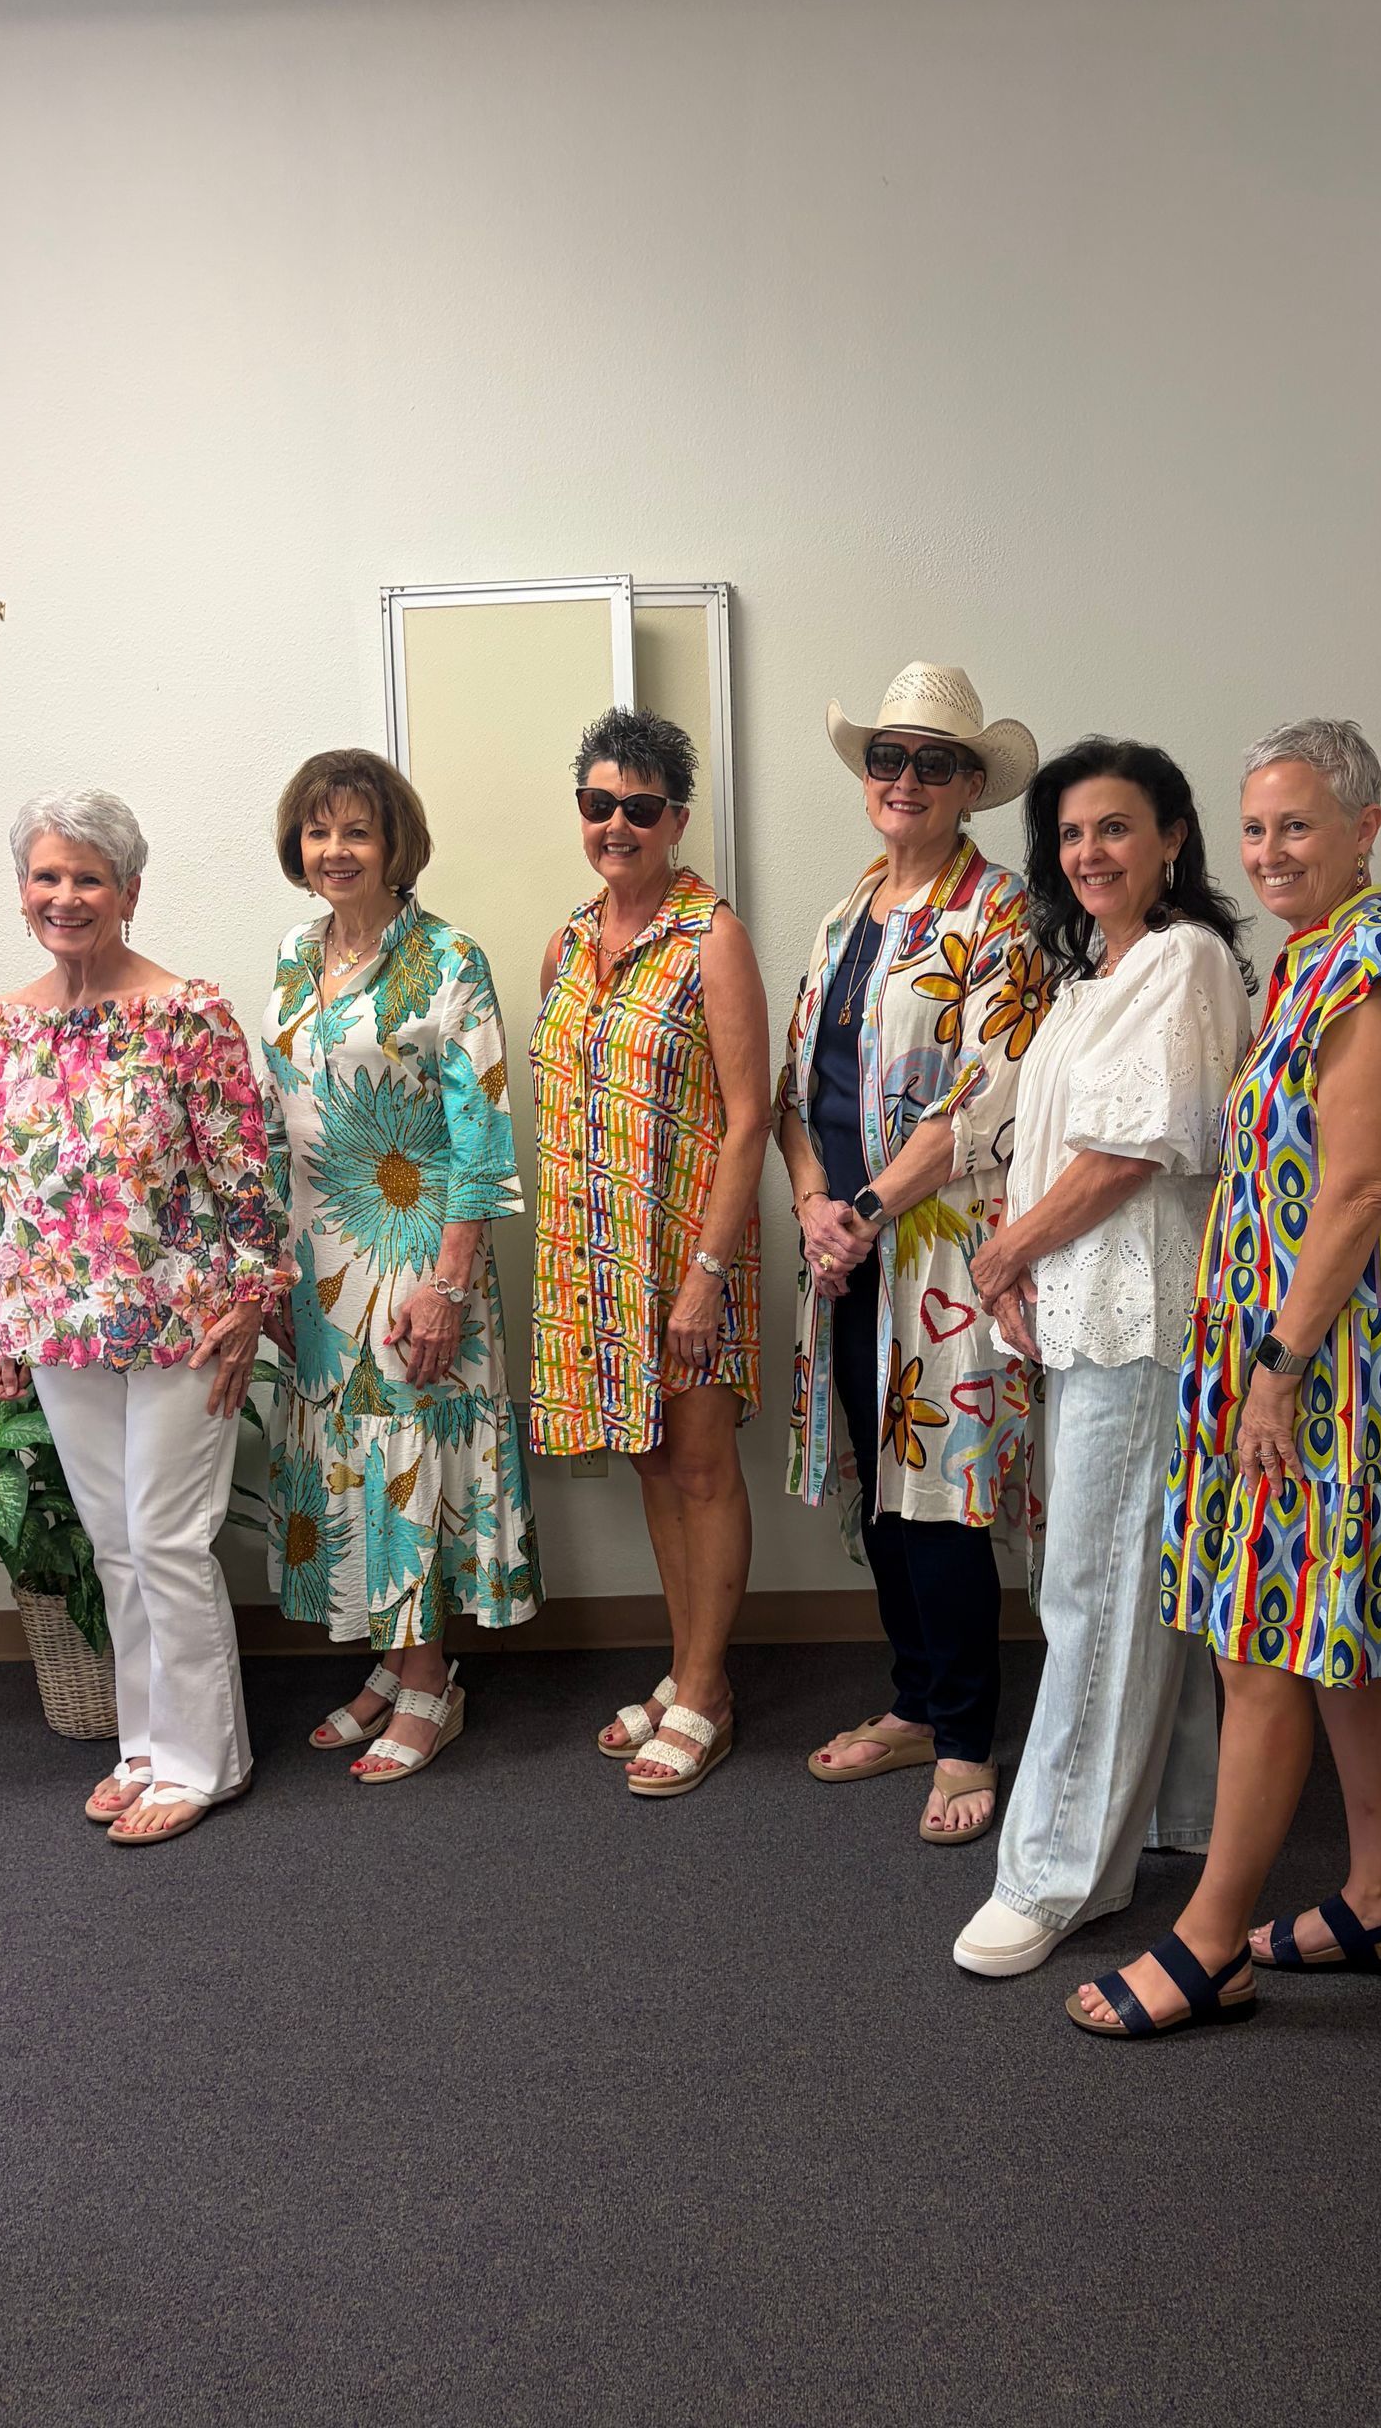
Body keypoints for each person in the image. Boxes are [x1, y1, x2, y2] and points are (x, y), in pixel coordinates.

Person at [1070, 718, 1381, 2038]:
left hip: (1329, 1371)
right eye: (1255, 827)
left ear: (1365, 828)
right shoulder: (1317, 956)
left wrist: (1274, 1368)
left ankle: (1209, 1945)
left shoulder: (1373, 966)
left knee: (1261, 1650)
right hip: (1311, 1358)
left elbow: (1358, 1192)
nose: (1268, 851)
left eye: (1297, 824)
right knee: (1337, 1641)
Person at [953, 739, 1252, 1977]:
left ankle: (1055, 1874)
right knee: (1129, 1578)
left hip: (1138, 1315)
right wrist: (1023, 1266)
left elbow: (1134, 1149)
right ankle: (1172, 1815)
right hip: (1087, 1311)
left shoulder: (1183, 959)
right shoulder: (1096, 976)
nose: (1090, 852)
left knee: (1095, 1586)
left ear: (1172, 838)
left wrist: (1002, 1254)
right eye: (1073, 834)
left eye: (1117, 827)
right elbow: (1056, 1148)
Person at [0, 791, 291, 1844]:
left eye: (89, 878)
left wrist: (253, 1300)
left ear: (130, 893)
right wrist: (0, 1318)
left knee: (167, 1539)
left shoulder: (187, 1014)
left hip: (183, 1317)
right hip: (59, 1319)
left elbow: (247, 1171)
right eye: (47, 876)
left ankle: (205, 1763)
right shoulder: (5, 1028)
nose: (65, 897)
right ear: (23, 891)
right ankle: (147, 1744)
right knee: (115, 1543)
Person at [780, 662, 1042, 1847]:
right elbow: (798, 1090)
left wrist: (865, 1210)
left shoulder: (1004, 915)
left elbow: (988, 1095)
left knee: (939, 1495)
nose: (906, 779)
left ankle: (964, 1737)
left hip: (937, 1255)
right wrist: (813, 1205)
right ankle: (912, 1697)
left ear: (972, 784)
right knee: (880, 1495)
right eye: (889, 757)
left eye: (935, 763)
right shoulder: (849, 910)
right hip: (844, 1251)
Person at [261, 750, 540, 1783]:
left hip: (417, 1251)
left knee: (407, 1451)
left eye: (357, 831)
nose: (336, 850)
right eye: (319, 830)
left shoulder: (448, 958)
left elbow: (482, 1135)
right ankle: (392, 1654)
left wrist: (451, 1283)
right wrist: (274, 1264)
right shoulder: (293, 955)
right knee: (346, 1451)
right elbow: (282, 1114)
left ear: (395, 845)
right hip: (319, 1254)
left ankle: (431, 1681)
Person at [530, 707, 769, 1799]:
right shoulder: (567, 943)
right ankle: (684, 1669)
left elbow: (750, 1116)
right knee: (650, 1459)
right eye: (598, 804)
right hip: (594, 1260)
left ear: (675, 819)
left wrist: (706, 1276)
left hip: (687, 1255)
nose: (615, 824)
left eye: (640, 807)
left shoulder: (711, 935)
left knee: (703, 1465)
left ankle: (709, 1689)